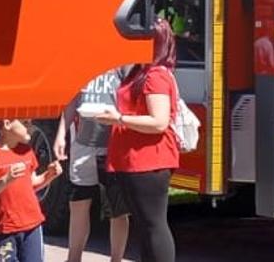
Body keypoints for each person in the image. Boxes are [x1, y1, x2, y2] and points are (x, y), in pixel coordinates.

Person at [95, 21, 181, 262]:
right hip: (133, 161)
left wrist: (119, 119)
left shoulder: (155, 76)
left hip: (148, 162)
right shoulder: (140, 72)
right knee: (145, 227)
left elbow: (159, 121)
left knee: (153, 225)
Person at [55, 66, 131, 262]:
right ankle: (73, 258)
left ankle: (116, 258)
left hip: (114, 146)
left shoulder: (124, 63)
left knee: (117, 209)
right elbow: (72, 99)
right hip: (83, 144)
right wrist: (61, 134)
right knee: (78, 203)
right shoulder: (85, 62)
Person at [0, 118, 62, 262]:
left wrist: (49, 175)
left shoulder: (27, 151)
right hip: (5, 228)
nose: (30, 126)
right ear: (7, 124)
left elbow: (33, 184)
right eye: (25, 123)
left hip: (32, 224)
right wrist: (6, 180)